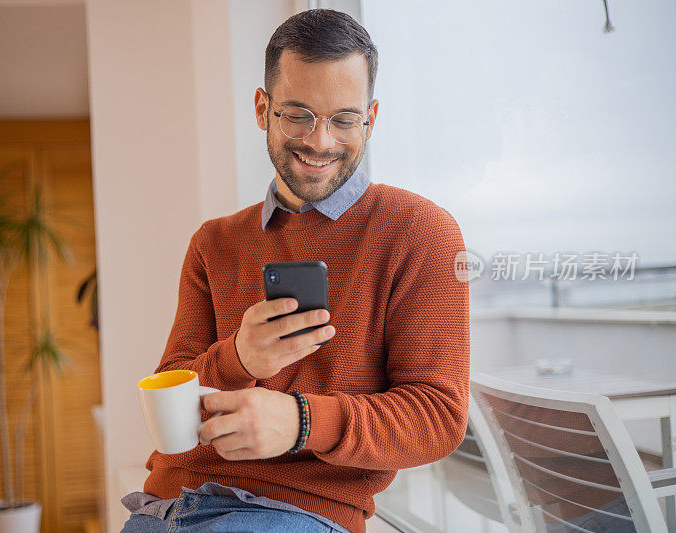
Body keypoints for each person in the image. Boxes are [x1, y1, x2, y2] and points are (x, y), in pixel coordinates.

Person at [121, 9, 470, 533]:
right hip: (163, 507)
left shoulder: (420, 233)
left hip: (292, 513)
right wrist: (239, 358)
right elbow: (169, 407)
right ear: (263, 109)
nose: (321, 141)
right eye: (298, 114)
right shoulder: (212, 243)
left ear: (371, 119)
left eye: (344, 119)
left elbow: (439, 417)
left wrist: (302, 423)